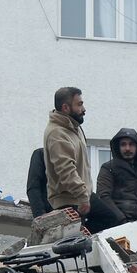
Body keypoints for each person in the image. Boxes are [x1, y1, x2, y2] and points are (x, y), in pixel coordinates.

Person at [43, 87, 92, 226]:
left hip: (80, 198)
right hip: (69, 202)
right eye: (79, 104)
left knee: (114, 220)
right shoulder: (57, 133)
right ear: (65, 107)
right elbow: (66, 171)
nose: (84, 109)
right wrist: (83, 197)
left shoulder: (74, 127)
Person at [93, 128, 137, 232]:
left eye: (131, 144)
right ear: (118, 147)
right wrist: (122, 221)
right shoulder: (108, 168)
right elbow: (104, 197)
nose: (127, 148)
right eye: (123, 144)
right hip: (119, 226)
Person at [25, 148, 52, 218]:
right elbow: (33, 188)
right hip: (49, 214)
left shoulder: (77, 159)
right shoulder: (41, 154)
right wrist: (41, 216)